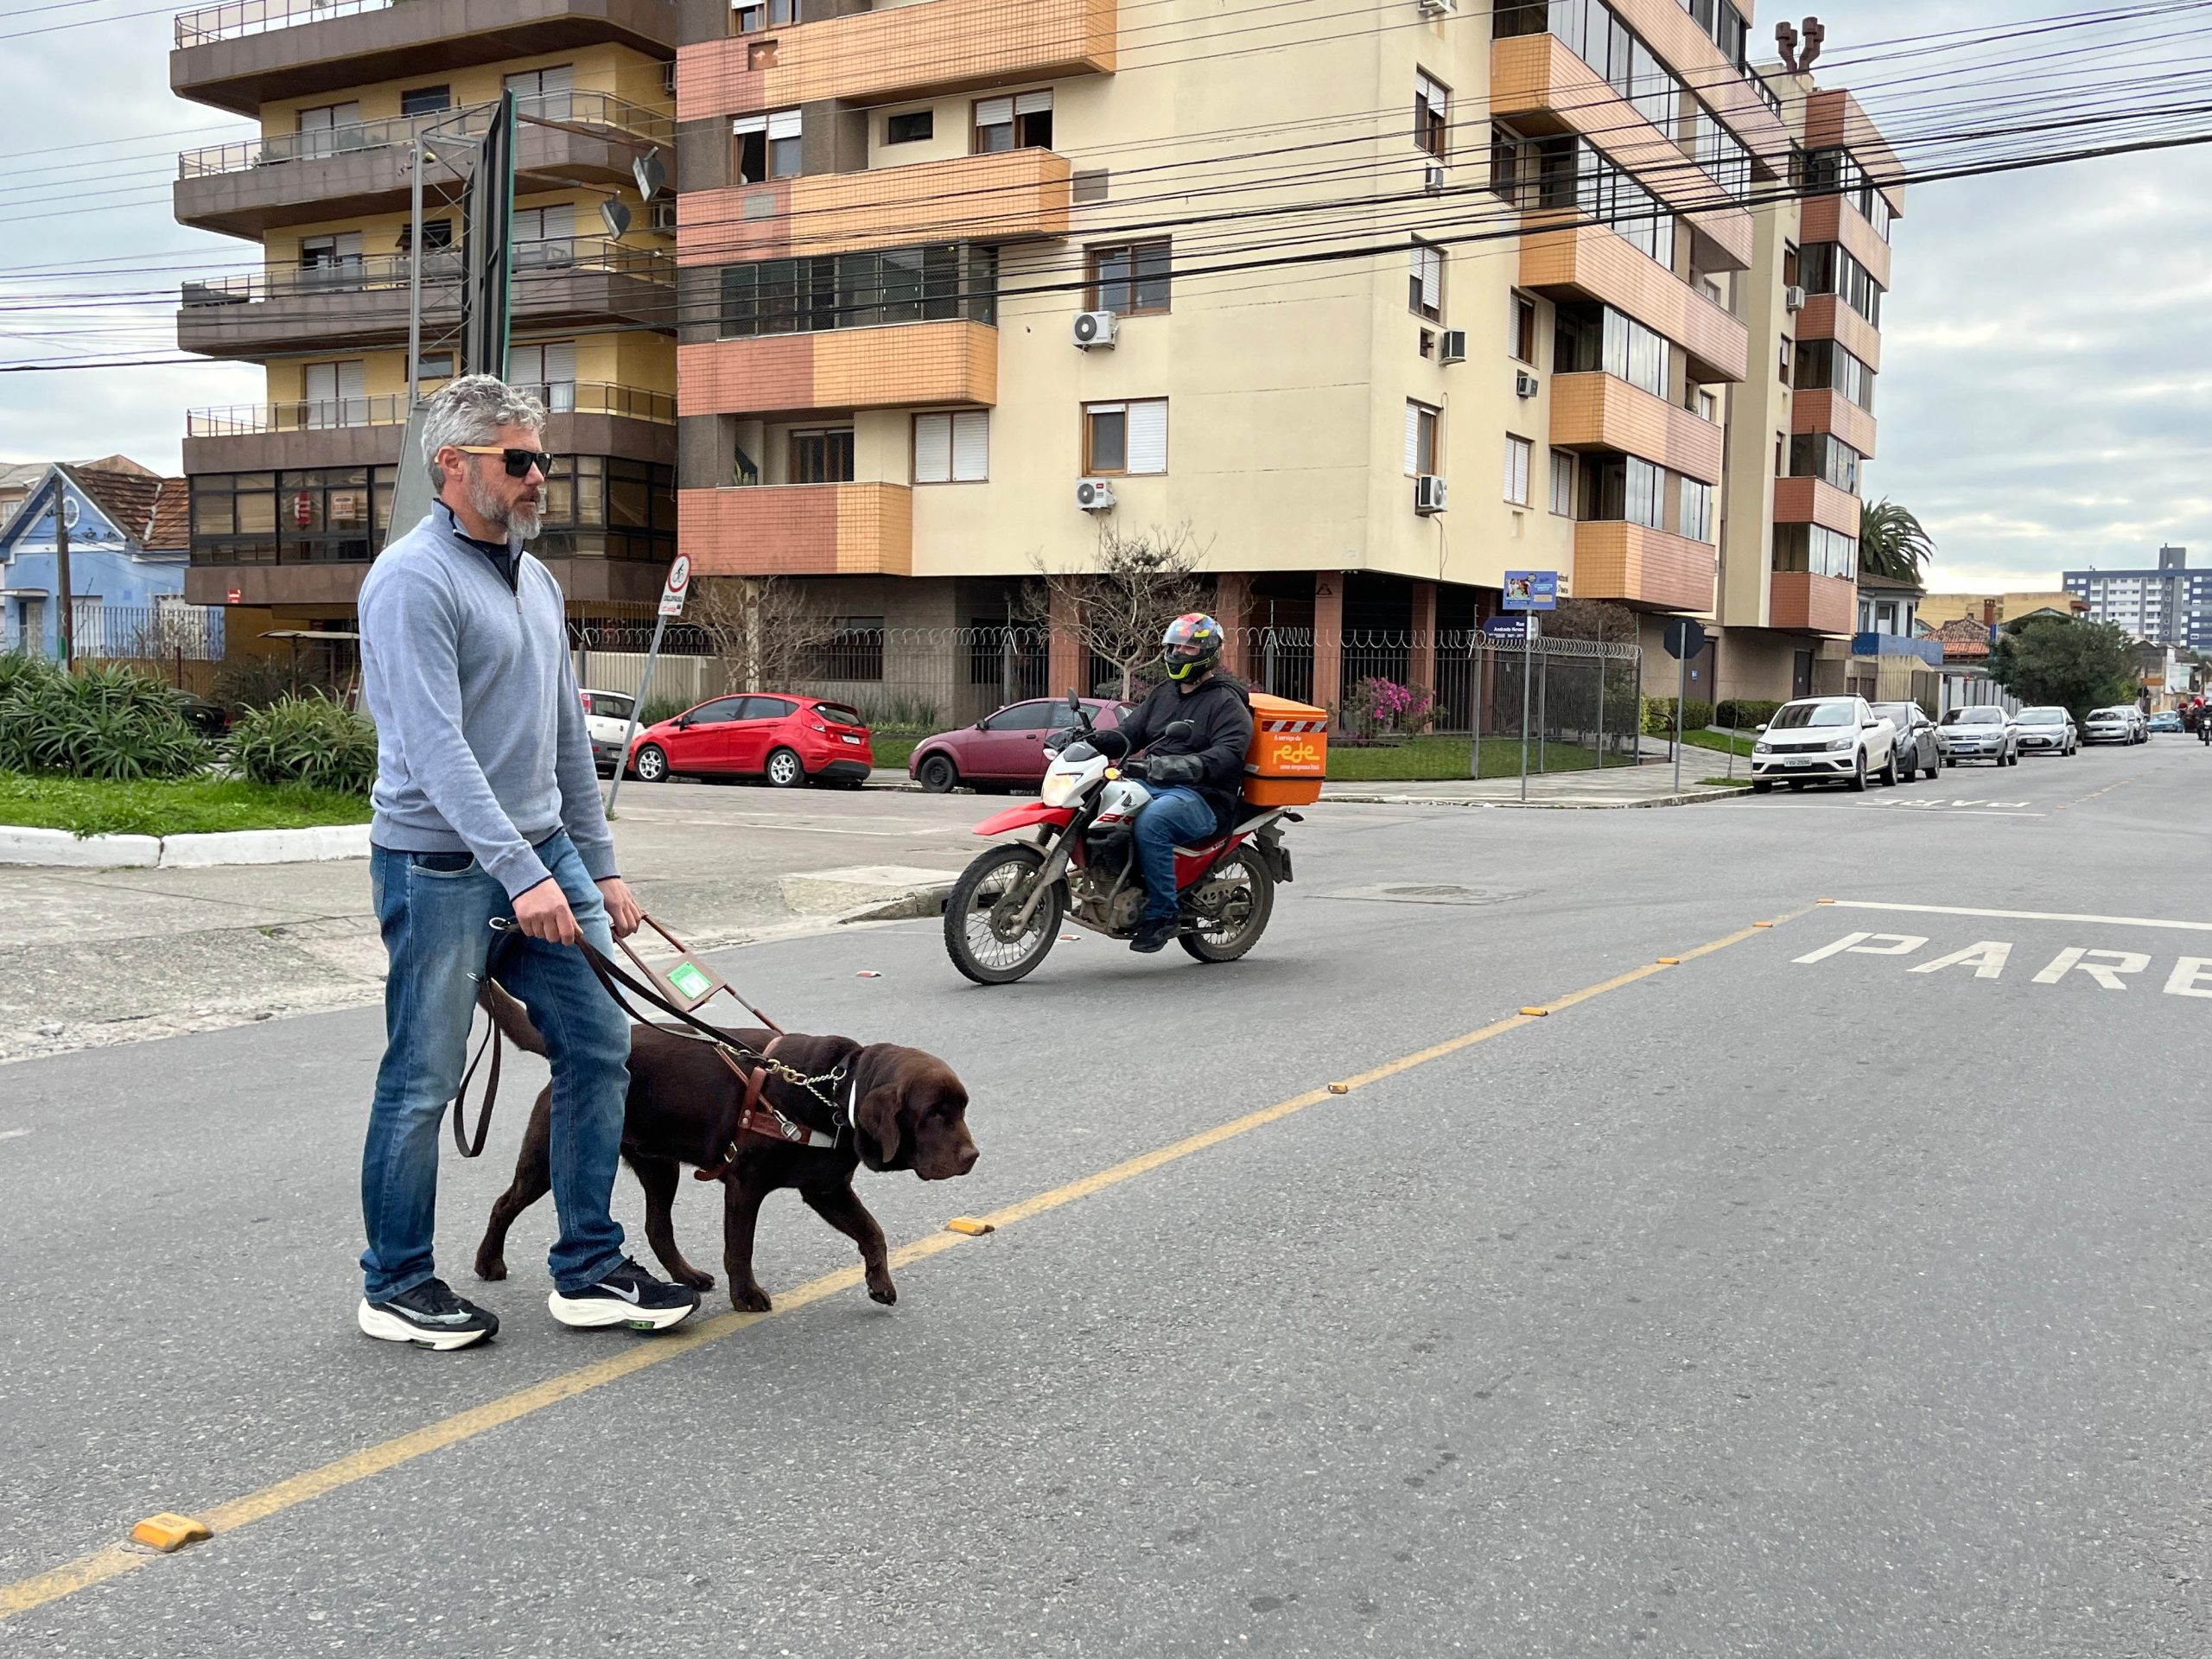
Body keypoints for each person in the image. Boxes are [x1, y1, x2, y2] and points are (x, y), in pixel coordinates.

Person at [354, 374, 698, 1351]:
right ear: (453, 466)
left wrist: (599, 864)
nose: (539, 476)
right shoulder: (411, 581)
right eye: (519, 461)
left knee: (601, 1047)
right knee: (421, 1080)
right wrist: (523, 873)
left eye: (542, 459)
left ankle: (587, 1268)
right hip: (440, 868)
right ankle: (395, 1283)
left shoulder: (535, 580)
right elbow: (434, 748)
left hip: (541, 855)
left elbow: (561, 742)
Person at [1109, 613, 1255, 955]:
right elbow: (1128, 734)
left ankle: (1163, 914)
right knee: (1098, 807)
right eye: (1174, 645)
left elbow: (1230, 752)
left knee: (1154, 822)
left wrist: (1186, 764)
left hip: (1204, 797)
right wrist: (1087, 741)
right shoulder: (1164, 694)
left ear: (1207, 653)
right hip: (1155, 782)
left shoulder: (1227, 701)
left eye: (1188, 647)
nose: (1178, 653)